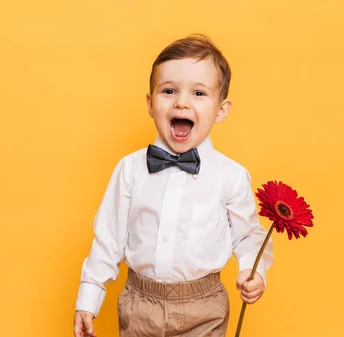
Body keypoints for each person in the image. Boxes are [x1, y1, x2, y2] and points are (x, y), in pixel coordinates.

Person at [73, 33, 274, 337]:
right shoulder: (130, 169)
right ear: (151, 104)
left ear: (221, 109)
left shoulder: (230, 176)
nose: (182, 101)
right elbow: (108, 238)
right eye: (169, 91)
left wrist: (253, 270)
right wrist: (88, 298)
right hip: (140, 304)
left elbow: (248, 236)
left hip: (204, 306)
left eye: (199, 93)